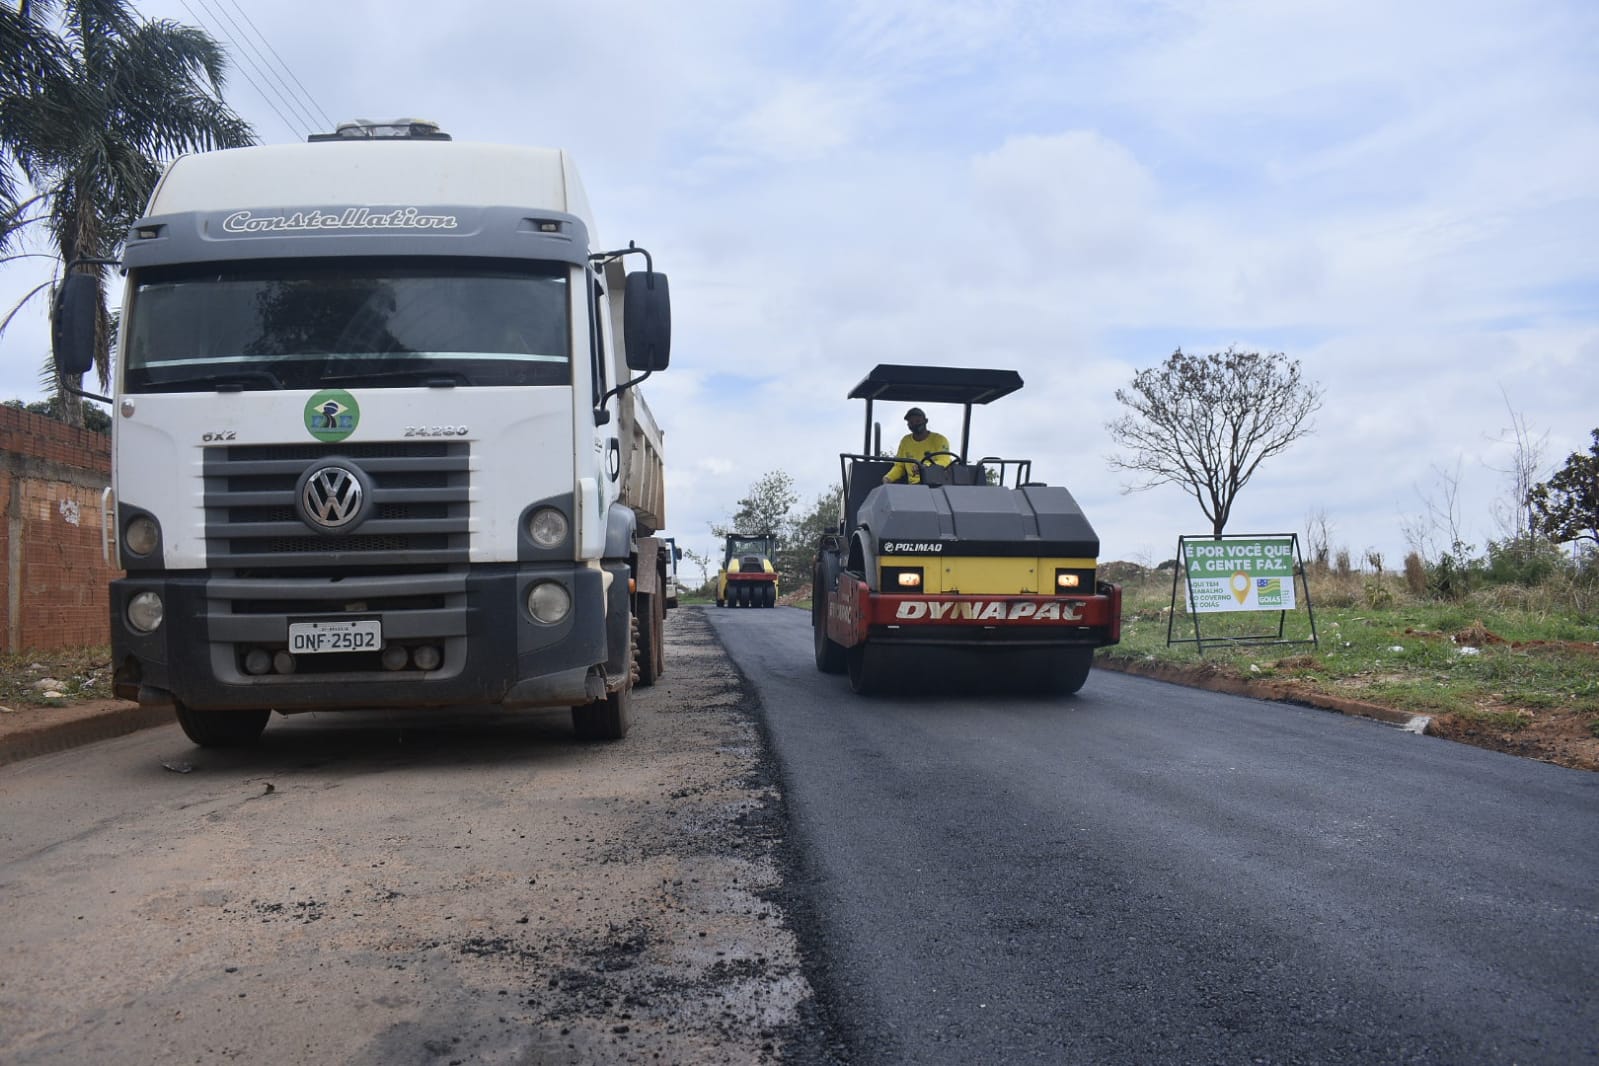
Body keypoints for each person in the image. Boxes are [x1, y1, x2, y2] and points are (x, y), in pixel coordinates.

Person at [883, 407, 954, 484]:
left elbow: (944, 461)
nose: (915, 424)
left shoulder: (939, 439)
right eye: (911, 422)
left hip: (937, 484)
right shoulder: (905, 441)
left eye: (918, 421)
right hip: (915, 487)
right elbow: (900, 466)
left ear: (926, 421)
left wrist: (923, 467)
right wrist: (889, 477)